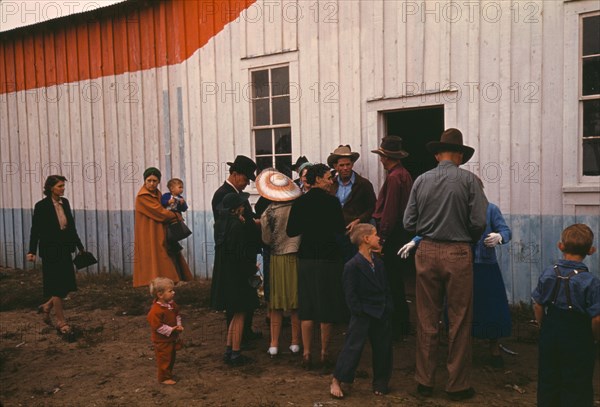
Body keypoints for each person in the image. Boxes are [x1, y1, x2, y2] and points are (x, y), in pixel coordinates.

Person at [403, 128, 488, 401]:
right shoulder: (470, 181)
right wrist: (466, 238)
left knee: (427, 318)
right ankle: (457, 384)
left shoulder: (421, 180)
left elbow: (408, 223)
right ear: (460, 156)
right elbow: (478, 222)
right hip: (458, 252)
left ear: (438, 154)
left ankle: (424, 381)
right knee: (459, 319)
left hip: (426, 250)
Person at [399, 202, 513, 368]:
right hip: (458, 263)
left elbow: (506, 231)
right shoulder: (452, 208)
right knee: (457, 306)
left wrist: (500, 237)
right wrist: (415, 241)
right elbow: (433, 229)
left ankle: (494, 348)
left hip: (485, 265)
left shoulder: (490, 209)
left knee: (490, 306)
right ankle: (460, 350)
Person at [286, 163, 347, 370]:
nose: (332, 181)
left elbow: (291, 230)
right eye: (329, 177)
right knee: (327, 307)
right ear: (318, 179)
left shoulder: (300, 202)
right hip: (329, 258)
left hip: (306, 257)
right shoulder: (332, 202)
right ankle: (324, 353)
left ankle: (306, 354)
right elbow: (340, 229)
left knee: (308, 306)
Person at [532, 224, 600, 407]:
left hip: (551, 331)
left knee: (548, 377)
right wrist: (594, 338)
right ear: (591, 251)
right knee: (577, 381)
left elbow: (538, 305)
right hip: (579, 336)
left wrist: (543, 326)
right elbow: (597, 318)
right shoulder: (590, 282)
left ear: (560, 246)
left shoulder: (548, 273)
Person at [330, 224, 393, 399]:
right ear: (366, 239)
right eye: (375, 235)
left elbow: (386, 288)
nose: (379, 237)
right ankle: (338, 379)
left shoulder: (379, 263)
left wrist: (388, 306)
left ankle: (381, 381)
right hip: (363, 313)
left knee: (383, 348)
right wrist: (357, 311)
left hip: (380, 311)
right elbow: (349, 292)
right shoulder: (352, 265)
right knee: (353, 348)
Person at [210, 155, 262, 343]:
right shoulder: (223, 194)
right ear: (234, 174)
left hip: (242, 250)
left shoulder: (233, 193)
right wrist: (253, 224)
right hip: (235, 253)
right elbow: (230, 224)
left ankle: (244, 332)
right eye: (245, 178)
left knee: (245, 294)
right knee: (236, 298)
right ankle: (238, 339)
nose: (247, 183)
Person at [27, 175, 85, 335]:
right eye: (60, 186)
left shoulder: (64, 202)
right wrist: (31, 251)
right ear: (51, 187)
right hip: (50, 251)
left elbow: (71, 226)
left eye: (63, 186)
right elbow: (35, 230)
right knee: (57, 287)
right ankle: (61, 322)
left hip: (65, 249)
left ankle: (47, 306)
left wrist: (80, 247)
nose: (63, 188)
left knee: (66, 285)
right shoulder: (41, 206)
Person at [371, 136, 413, 340]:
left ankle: (398, 326)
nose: (380, 160)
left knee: (391, 280)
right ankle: (402, 323)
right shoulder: (403, 174)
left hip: (394, 233)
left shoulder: (395, 178)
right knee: (396, 280)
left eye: (382, 156)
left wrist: (382, 237)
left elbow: (390, 211)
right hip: (401, 232)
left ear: (387, 157)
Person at [256, 168, 302, 358]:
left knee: (275, 302)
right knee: (295, 302)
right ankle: (295, 342)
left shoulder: (268, 212)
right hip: (294, 256)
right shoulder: (298, 208)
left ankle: (274, 343)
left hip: (276, 257)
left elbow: (266, 239)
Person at [214, 192, 261, 366]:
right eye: (242, 205)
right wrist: (252, 268)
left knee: (233, 313)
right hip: (238, 276)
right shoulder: (237, 227)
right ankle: (235, 352)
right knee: (240, 313)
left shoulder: (219, 224)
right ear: (236, 209)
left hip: (225, 274)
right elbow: (239, 255)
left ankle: (229, 350)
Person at [133, 168, 193, 288]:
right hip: (149, 232)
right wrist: (175, 215)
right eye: (149, 180)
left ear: (159, 181)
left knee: (167, 252)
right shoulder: (143, 196)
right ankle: (165, 280)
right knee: (157, 255)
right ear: (144, 181)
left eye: (155, 181)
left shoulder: (157, 194)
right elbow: (160, 212)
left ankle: (171, 279)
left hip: (158, 230)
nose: (151, 183)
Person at [327, 145, 377, 262]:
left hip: (357, 234)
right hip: (337, 232)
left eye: (348, 164)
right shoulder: (331, 184)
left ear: (352, 164)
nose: (345, 168)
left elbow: (372, 207)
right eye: (342, 165)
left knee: (357, 263)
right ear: (335, 167)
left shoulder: (363, 184)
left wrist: (358, 220)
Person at [147, 277, 184, 385]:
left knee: (171, 357)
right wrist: (171, 330)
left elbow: (177, 315)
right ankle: (163, 378)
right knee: (164, 358)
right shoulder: (155, 311)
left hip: (171, 338)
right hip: (161, 340)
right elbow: (157, 326)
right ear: (160, 294)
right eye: (170, 291)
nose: (173, 292)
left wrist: (178, 326)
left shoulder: (172, 305)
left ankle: (168, 374)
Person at [161, 178, 189, 255]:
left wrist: (182, 203)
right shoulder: (166, 196)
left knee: (175, 233)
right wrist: (168, 202)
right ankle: (173, 247)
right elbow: (161, 204)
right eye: (179, 187)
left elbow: (184, 209)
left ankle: (174, 247)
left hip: (175, 219)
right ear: (172, 188)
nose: (181, 189)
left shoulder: (180, 198)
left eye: (182, 187)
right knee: (168, 234)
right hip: (167, 219)